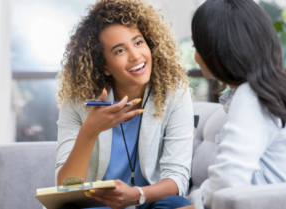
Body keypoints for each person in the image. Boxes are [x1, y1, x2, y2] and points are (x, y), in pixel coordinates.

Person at [55, 0, 194, 208]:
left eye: (138, 43)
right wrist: (89, 131)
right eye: (120, 51)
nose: (136, 56)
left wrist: (136, 195)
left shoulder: (174, 94)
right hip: (98, 204)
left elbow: (177, 178)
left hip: (147, 200)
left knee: (179, 204)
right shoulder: (77, 102)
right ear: (104, 65)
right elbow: (66, 187)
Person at [181, 0, 286, 208]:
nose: (196, 55)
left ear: (217, 49)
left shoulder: (251, 96)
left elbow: (228, 180)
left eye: (197, 46)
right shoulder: (274, 90)